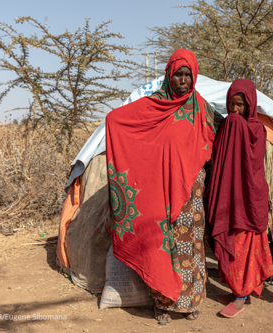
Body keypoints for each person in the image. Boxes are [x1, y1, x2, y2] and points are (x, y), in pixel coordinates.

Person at [105, 49, 223, 325]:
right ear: (169, 75)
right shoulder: (154, 104)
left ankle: (191, 302)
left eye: (187, 75)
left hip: (191, 191)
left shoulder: (202, 108)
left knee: (192, 246)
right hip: (158, 190)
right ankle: (163, 303)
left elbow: (222, 134)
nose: (182, 80)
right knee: (163, 244)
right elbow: (118, 120)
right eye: (178, 74)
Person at [207, 79, 273, 318]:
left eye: (240, 105)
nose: (234, 111)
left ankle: (241, 294)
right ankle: (237, 290)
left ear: (250, 105)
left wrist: (233, 123)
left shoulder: (256, 129)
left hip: (247, 200)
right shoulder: (228, 124)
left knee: (243, 248)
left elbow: (250, 166)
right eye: (231, 105)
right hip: (229, 196)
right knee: (231, 242)